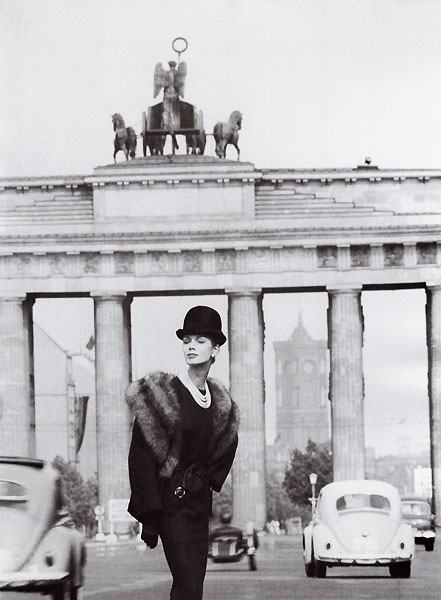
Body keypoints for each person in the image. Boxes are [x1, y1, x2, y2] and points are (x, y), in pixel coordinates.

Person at [126, 305, 239, 600]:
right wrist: (150, 516)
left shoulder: (218, 401)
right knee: (187, 583)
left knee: (193, 586)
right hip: (171, 503)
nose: (191, 346)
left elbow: (228, 440)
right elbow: (140, 455)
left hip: (199, 504)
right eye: (187, 340)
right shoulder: (163, 396)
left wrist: (210, 479)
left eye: (200, 341)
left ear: (215, 349)